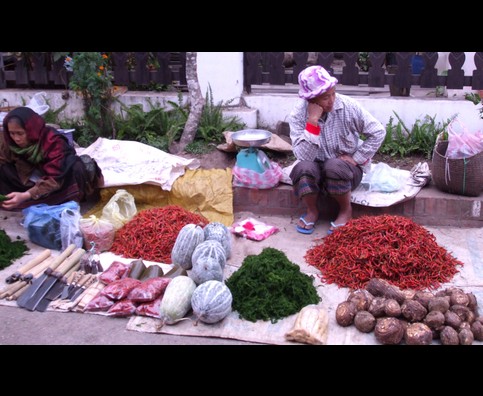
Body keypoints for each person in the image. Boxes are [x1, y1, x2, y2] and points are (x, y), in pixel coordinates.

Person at [289, 65, 386, 235]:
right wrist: (312, 121)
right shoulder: (298, 115)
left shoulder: (348, 106)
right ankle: (312, 211)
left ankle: (345, 211)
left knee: (333, 166)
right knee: (302, 168)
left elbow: (378, 132)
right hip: (316, 170)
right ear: (311, 100)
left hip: (345, 170)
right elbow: (302, 156)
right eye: (326, 97)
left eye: (333, 93)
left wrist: (357, 158)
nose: (332, 100)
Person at [0, 106, 104, 211]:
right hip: (28, 179)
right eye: (12, 133)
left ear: (31, 130)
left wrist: (26, 195)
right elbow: (2, 159)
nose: (16, 138)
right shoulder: (9, 142)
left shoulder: (52, 141)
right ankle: (18, 198)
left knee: (76, 167)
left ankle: (50, 200)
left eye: (20, 133)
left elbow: (55, 178)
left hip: (56, 180)